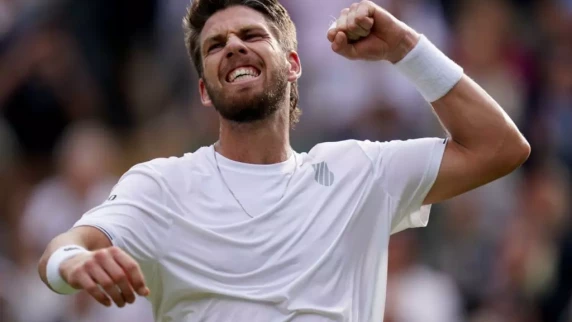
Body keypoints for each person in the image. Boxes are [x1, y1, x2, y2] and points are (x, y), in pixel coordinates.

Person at [37, 0, 530, 321]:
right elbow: (66, 246)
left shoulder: (360, 171)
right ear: (205, 91)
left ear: (293, 64)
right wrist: (71, 263)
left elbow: (500, 147)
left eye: (251, 35)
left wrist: (404, 47)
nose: (233, 45)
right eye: (215, 45)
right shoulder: (164, 184)